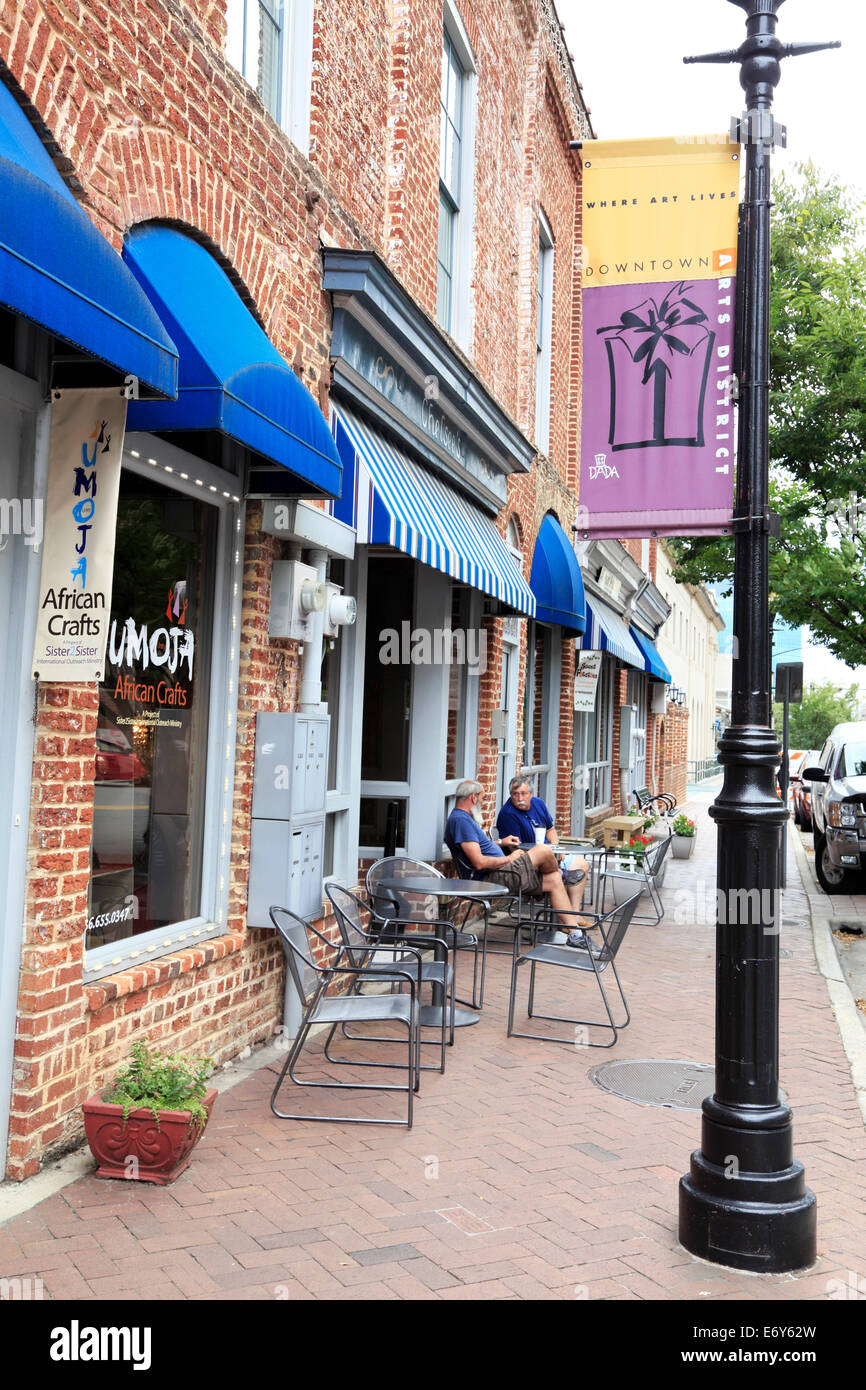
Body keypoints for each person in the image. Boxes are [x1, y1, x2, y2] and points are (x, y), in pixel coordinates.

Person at [444, 779, 596, 947]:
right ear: (473, 798)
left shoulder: (464, 819)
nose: (482, 802)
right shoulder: (461, 821)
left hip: (501, 871)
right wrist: (509, 858)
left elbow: (479, 847)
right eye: (481, 798)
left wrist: (501, 842)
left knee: (553, 879)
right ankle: (562, 872)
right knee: (543, 850)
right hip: (491, 877)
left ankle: (575, 934)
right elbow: (479, 862)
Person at [496, 777, 590, 918]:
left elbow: (550, 830)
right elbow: (516, 851)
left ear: (531, 794)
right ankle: (565, 916)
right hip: (529, 863)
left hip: (550, 854)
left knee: (582, 865)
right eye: (515, 794)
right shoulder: (507, 814)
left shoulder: (538, 804)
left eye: (524, 793)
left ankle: (574, 914)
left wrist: (556, 849)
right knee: (558, 875)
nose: (519, 798)